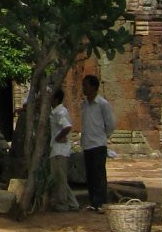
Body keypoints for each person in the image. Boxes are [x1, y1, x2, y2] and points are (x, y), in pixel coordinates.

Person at [80, 73, 115, 210]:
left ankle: (101, 203)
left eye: (86, 86)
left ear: (94, 87)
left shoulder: (102, 104)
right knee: (90, 175)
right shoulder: (84, 104)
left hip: (98, 144)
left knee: (99, 174)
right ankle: (93, 202)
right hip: (87, 144)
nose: (83, 88)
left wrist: (103, 137)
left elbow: (110, 124)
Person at [48, 86, 80, 212]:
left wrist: (58, 137)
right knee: (60, 179)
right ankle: (73, 204)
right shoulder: (55, 112)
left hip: (59, 150)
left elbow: (67, 126)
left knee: (60, 179)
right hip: (57, 150)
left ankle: (63, 204)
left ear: (56, 99)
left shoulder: (59, 112)